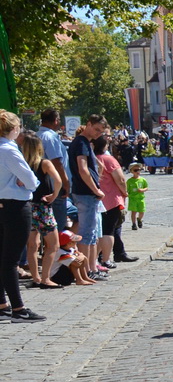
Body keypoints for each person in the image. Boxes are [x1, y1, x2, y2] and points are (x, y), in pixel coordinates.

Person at [1, 111, 46, 321]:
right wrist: (28, 182)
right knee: (11, 260)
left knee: (3, 257)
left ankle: (2, 304)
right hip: (16, 206)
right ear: (13, 129)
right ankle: (18, 309)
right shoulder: (9, 150)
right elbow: (30, 180)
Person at [66, 114, 107, 279]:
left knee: (90, 233)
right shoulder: (81, 143)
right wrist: (96, 190)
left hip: (85, 192)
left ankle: (91, 268)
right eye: (96, 129)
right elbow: (82, 169)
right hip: (85, 193)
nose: (98, 133)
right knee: (87, 233)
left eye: (101, 131)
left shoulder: (83, 143)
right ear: (88, 124)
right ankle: (87, 270)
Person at [19, 131, 61, 289]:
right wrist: (54, 195)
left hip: (28, 206)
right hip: (43, 207)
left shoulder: (22, 164)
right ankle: (46, 278)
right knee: (53, 245)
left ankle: (36, 277)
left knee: (32, 245)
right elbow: (58, 180)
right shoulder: (44, 163)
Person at [93, 134, 134, 265]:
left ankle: (97, 258)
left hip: (97, 199)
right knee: (109, 231)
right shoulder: (108, 159)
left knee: (100, 230)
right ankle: (106, 259)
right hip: (111, 199)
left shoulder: (92, 159)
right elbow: (121, 179)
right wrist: (125, 192)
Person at [37, 108, 71, 234]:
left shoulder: (37, 135)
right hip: (55, 184)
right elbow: (56, 162)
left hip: (42, 183)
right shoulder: (49, 137)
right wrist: (65, 182)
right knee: (59, 222)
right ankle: (57, 249)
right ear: (56, 121)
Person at [126, 162, 148, 231]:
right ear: (131, 171)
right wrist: (127, 194)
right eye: (135, 170)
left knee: (142, 211)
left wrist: (143, 190)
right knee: (133, 212)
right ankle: (133, 224)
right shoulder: (129, 181)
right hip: (133, 198)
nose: (138, 171)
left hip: (141, 198)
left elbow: (146, 187)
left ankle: (139, 219)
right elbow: (127, 189)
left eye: (139, 170)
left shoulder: (142, 180)